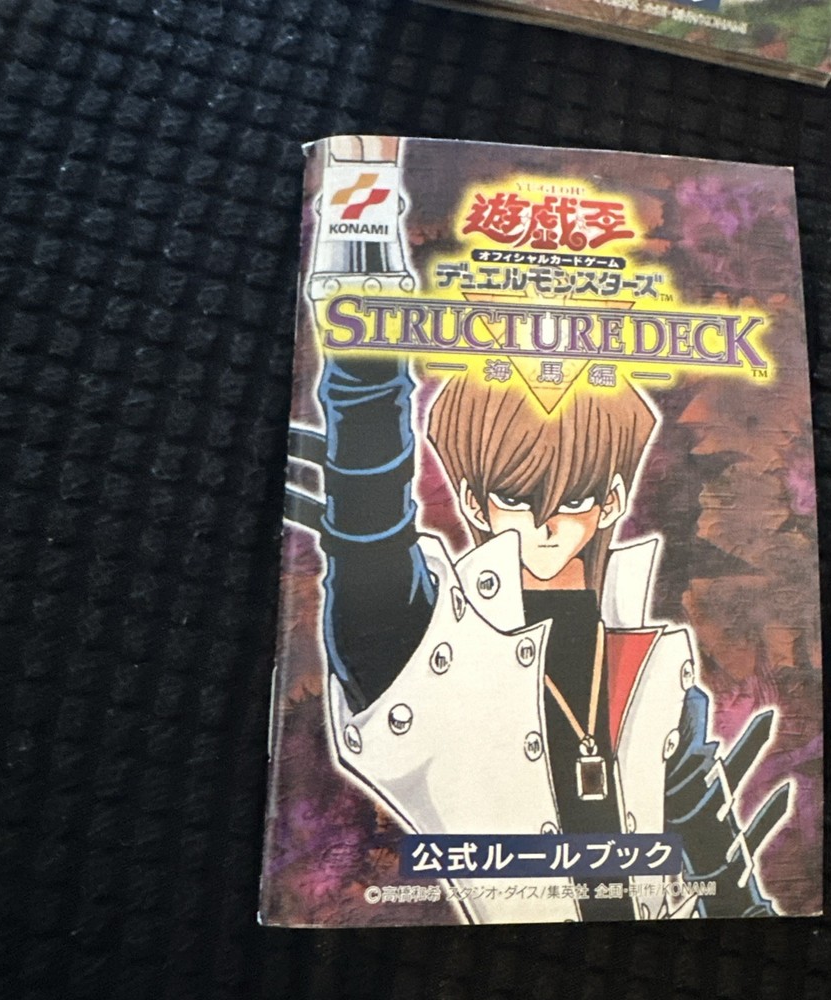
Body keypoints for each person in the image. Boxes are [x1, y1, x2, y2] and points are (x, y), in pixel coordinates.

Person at [286, 353, 787, 923]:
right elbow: (371, 526)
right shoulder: (433, 647)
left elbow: (728, 886)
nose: (544, 524)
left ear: (612, 499)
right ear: (474, 501)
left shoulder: (654, 670)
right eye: (515, 498)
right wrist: (367, 362)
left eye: (574, 500)